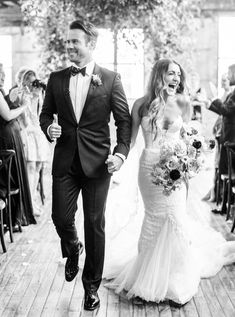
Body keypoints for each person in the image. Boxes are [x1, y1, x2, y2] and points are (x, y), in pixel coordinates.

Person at [104, 59, 235, 306]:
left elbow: (187, 138)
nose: (175, 77)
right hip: (148, 168)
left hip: (176, 169)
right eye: (170, 73)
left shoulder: (183, 102)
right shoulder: (141, 104)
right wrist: (118, 158)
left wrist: (192, 158)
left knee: (176, 220)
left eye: (178, 74)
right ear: (159, 76)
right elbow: (130, 141)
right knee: (153, 219)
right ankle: (145, 280)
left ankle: (177, 280)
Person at [39, 20, 131, 311]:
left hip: (98, 164)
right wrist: (48, 129)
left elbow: (124, 121)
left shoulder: (111, 78)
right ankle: (72, 247)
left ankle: (91, 288)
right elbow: (45, 115)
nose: (69, 46)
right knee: (61, 218)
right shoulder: (56, 78)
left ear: (90, 44)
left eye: (75, 42)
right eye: (67, 41)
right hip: (65, 161)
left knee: (95, 225)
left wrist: (120, 154)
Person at [0, 64, 35, 227]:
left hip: (12, 136)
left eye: (3, 74)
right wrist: (23, 107)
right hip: (7, 138)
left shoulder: (3, 92)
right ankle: (13, 218)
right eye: (0, 74)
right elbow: (7, 116)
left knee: (15, 175)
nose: (2, 77)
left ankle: (15, 218)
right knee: (13, 176)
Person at [15, 69, 49, 216]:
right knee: (30, 169)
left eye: (34, 81)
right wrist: (29, 97)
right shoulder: (20, 95)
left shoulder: (38, 95)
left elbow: (41, 117)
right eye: (29, 81)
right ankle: (27, 204)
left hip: (38, 134)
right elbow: (26, 121)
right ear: (24, 82)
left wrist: (37, 97)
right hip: (27, 134)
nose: (32, 84)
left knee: (38, 167)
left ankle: (33, 200)